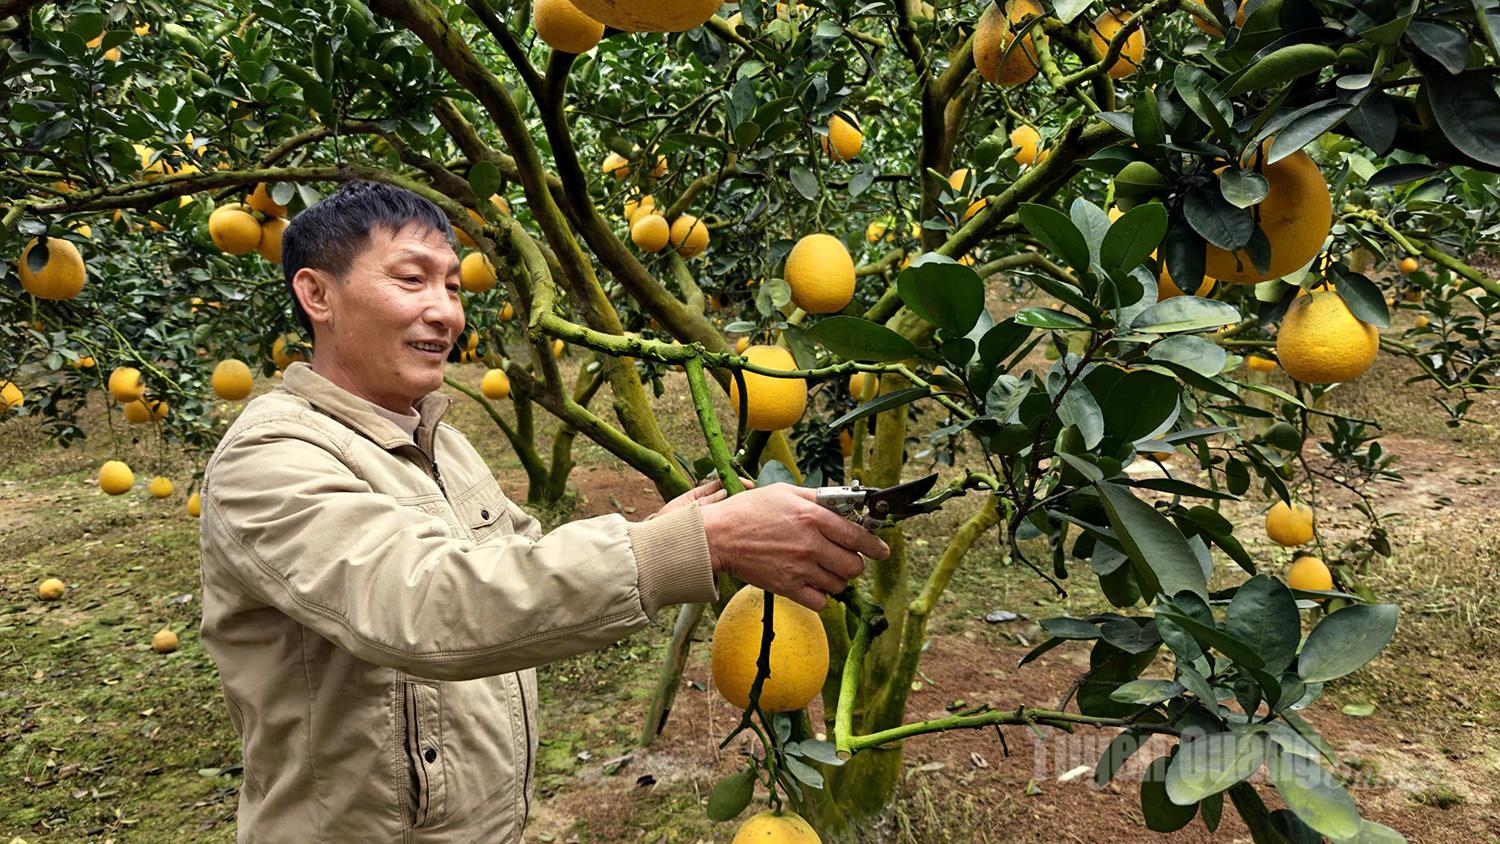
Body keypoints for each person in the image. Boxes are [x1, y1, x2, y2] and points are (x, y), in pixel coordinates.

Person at [197, 180, 888, 842]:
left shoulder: (440, 441)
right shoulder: (270, 457)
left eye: (452, 286)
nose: (446, 313)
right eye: (411, 280)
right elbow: (425, 603)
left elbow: (519, 564)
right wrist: (698, 544)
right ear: (317, 294)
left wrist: (671, 530)